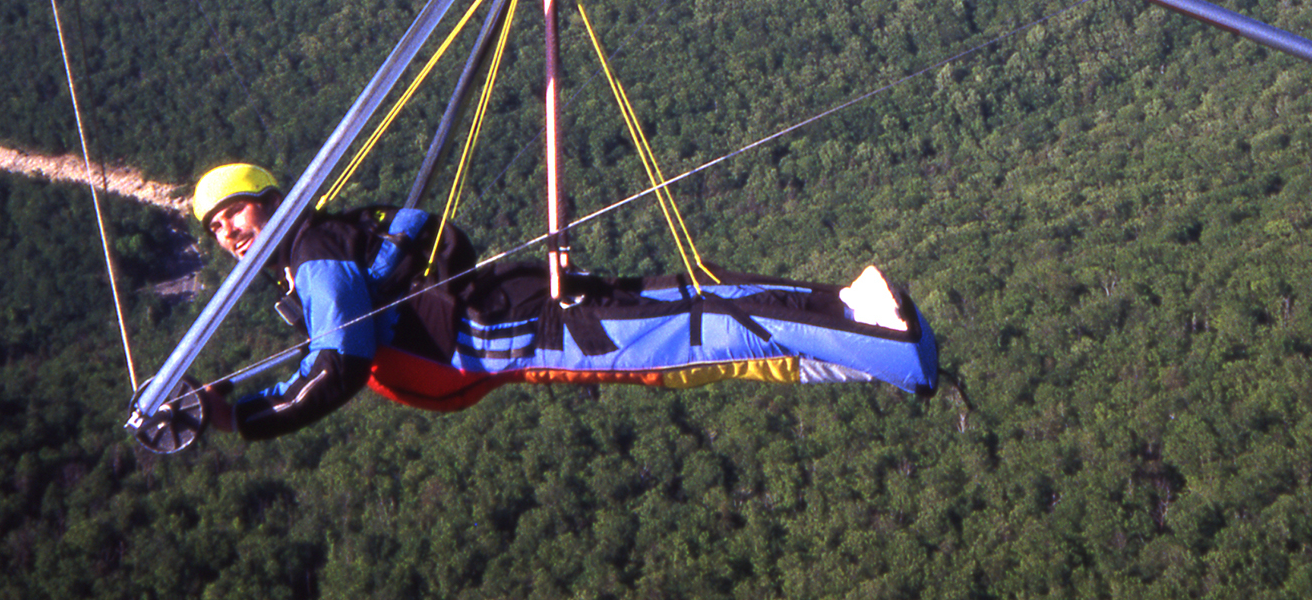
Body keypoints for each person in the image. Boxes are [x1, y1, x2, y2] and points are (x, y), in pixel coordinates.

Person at [189, 163, 937, 439]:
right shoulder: (324, 248)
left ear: (274, 201)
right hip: (508, 306)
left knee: (683, 339)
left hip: (509, 329)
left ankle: (881, 342)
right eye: (217, 227)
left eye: (237, 212)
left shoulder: (313, 253)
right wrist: (241, 398)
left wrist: (244, 418)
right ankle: (847, 306)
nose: (229, 231)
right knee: (676, 307)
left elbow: (338, 368)